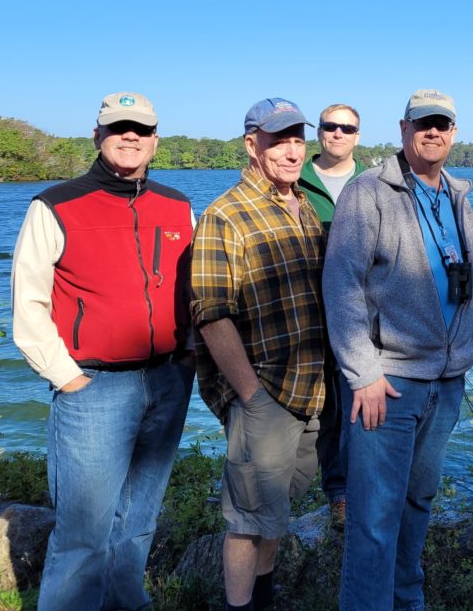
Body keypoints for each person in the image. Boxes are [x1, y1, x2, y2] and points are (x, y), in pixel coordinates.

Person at [11, 91, 195, 611]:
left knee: (139, 522)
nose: (130, 136)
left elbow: (192, 289)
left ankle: (124, 602)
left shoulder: (177, 204)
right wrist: (67, 377)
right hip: (93, 388)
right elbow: (28, 303)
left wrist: (189, 355)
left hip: (167, 381)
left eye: (141, 128)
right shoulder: (54, 204)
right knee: (83, 534)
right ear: (98, 137)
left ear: (156, 140)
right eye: (118, 129)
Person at [323, 88, 473, 611]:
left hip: (445, 382)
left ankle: (406, 602)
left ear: (454, 133)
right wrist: (362, 374)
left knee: (417, 504)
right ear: (403, 128)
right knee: (373, 518)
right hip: (387, 385)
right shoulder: (368, 192)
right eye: (423, 124)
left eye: (442, 124)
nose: (432, 132)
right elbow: (342, 286)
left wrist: (460, 362)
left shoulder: (458, 194)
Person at [191, 98, 327, 611]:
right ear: (252, 145)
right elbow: (211, 313)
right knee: (248, 520)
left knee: (274, 512)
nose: (292, 151)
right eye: (279, 140)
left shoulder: (303, 206)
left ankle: (263, 602)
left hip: (308, 390)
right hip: (264, 392)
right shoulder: (225, 215)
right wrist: (250, 395)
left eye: (298, 139)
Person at [297, 102, 366, 521]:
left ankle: (360, 488)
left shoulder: (375, 182)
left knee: (361, 402)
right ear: (319, 132)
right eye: (329, 126)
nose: (337, 133)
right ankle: (335, 491)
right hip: (307, 316)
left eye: (347, 128)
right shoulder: (294, 178)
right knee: (323, 410)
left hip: (362, 318)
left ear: (358, 135)